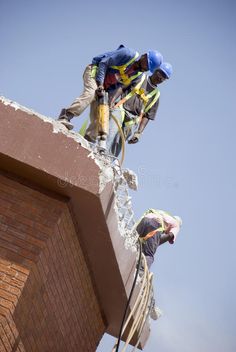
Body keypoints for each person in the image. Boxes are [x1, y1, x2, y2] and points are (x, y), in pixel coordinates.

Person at [57, 45, 163, 137]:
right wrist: (100, 84)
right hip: (94, 73)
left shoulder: (137, 74)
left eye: (149, 68)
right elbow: (103, 63)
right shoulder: (128, 54)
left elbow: (120, 86)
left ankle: (88, 139)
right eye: (147, 65)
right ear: (144, 56)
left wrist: (110, 101)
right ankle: (66, 116)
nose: (146, 69)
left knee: (103, 114)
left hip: (105, 86)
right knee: (90, 93)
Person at [106, 62, 173, 157]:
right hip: (121, 108)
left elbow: (147, 116)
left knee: (118, 143)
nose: (161, 78)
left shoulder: (156, 95)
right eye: (161, 73)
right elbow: (122, 87)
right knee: (111, 131)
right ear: (155, 70)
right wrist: (112, 101)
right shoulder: (140, 77)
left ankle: (106, 163)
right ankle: (99, 153)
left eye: (164, 77)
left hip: (132, 120)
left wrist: (139, 133)